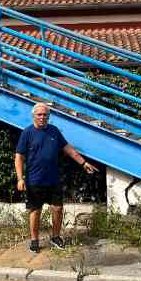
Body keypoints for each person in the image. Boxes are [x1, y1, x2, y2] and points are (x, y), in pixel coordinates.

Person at [15, 102, 98, 253]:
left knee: (58, 209)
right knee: (35, 211)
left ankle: (55, 237)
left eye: (45, 115)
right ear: (34, 116)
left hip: (53, 179)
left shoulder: (54, 131)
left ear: (49, 116)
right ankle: (34, 240)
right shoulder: (27, 133)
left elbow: (69, 150)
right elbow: (19, 157)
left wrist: (83, 162)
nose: (42, 117)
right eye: (39, 114)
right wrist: (20, 178)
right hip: (34, 180)